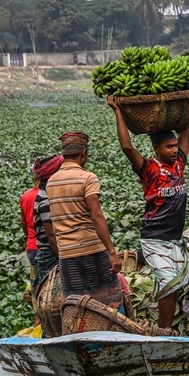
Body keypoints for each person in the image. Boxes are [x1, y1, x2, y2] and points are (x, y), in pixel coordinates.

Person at [109, 97, 189, 330]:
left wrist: (182, 106)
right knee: (167, 282)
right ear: (156, 148)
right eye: (169, 147)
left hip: (175, 239)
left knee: (174, 286)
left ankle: (167, 327)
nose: (175, 150)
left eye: (175, 146)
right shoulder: (149, 169)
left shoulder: (179, 165)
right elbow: (127, 147)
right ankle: (164, 332)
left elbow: (185, 129)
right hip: (155, 238)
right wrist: (118, 111)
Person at [46, 132, 124, 311]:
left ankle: (82, 338)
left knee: (76, 307)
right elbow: (96, 215)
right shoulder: (88, 178)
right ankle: (113, 337)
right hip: (92, 251)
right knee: (110, 304)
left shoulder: (51, 182)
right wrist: (111, 252)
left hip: (67, 255)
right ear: (83, 153)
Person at [31, 154, 64, 292]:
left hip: (50, 252)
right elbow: (51, 235)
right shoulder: (45, 199)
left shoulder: (48, 194)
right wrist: (63, 257)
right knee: (50, 293)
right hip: (49, 253)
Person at [19, 170, 41, 280]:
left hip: (32, 244)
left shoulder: (25, 196)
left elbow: (23, 222)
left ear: (34, 179)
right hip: (47, 246)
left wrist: (29, 236)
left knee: (35, 281)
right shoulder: (47, 195)